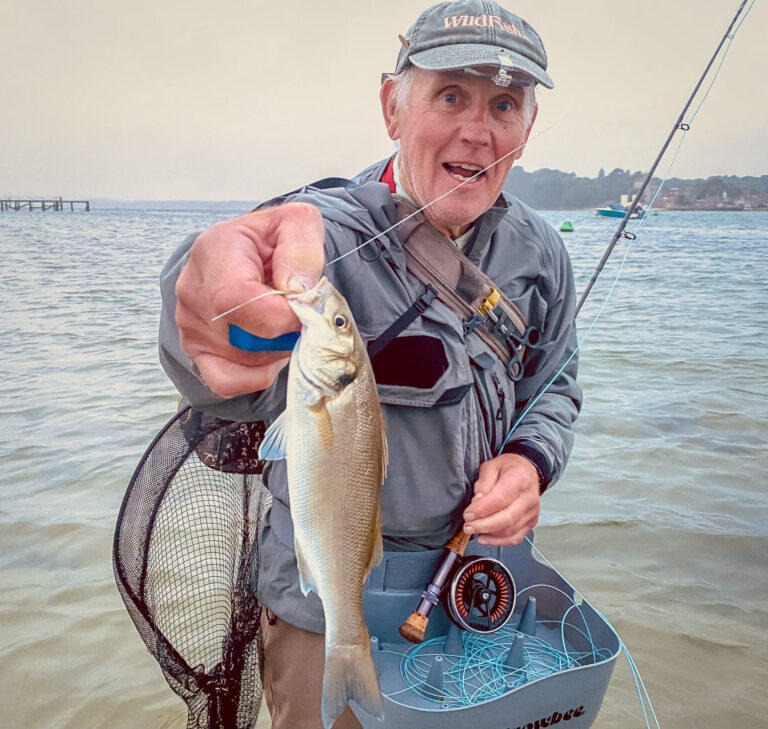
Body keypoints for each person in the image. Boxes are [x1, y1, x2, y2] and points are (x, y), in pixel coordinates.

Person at [158, 1, 581, 727]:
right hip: (322, 611)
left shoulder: (540, 254)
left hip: (473, 596)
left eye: (504, 104)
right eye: (450, 96)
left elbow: (557, 382)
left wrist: (530, 461)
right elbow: (220, 311)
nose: (477, 130)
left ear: (528, 127)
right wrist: (207, 314)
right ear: (393, 106)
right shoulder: (327, 233)